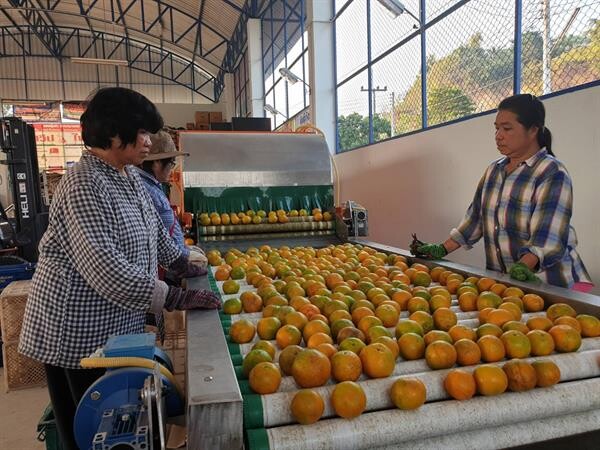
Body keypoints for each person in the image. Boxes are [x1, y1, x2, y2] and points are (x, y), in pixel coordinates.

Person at [18, 87, 221, 450]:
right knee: (93, 430)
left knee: (128, 425)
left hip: (114, 331)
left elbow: (156, 236)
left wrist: (182, 263)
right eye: (141, 133)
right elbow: (107, 269)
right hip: (77, 334)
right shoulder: (84, 183)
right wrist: (176, 296)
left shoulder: (128, 179)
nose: (149, 142)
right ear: (114, 134)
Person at [414, 94, 592, 291]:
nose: (498, 135)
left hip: (548, 283)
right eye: (496, 128)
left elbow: (547, 236)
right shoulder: (494, 171)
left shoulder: (552, 172)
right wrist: (441, 249)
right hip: (509, 283)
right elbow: (475, 220)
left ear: (533, 130)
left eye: (507, 129)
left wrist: (523, 267)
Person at [135, 129, 207, 272]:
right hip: (163, 267)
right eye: (171, 163)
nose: (172, 169)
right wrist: (183, 257)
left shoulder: (152, 185)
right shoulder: (145, 190)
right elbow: (156, 239)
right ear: (156, 163)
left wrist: (183, 249)